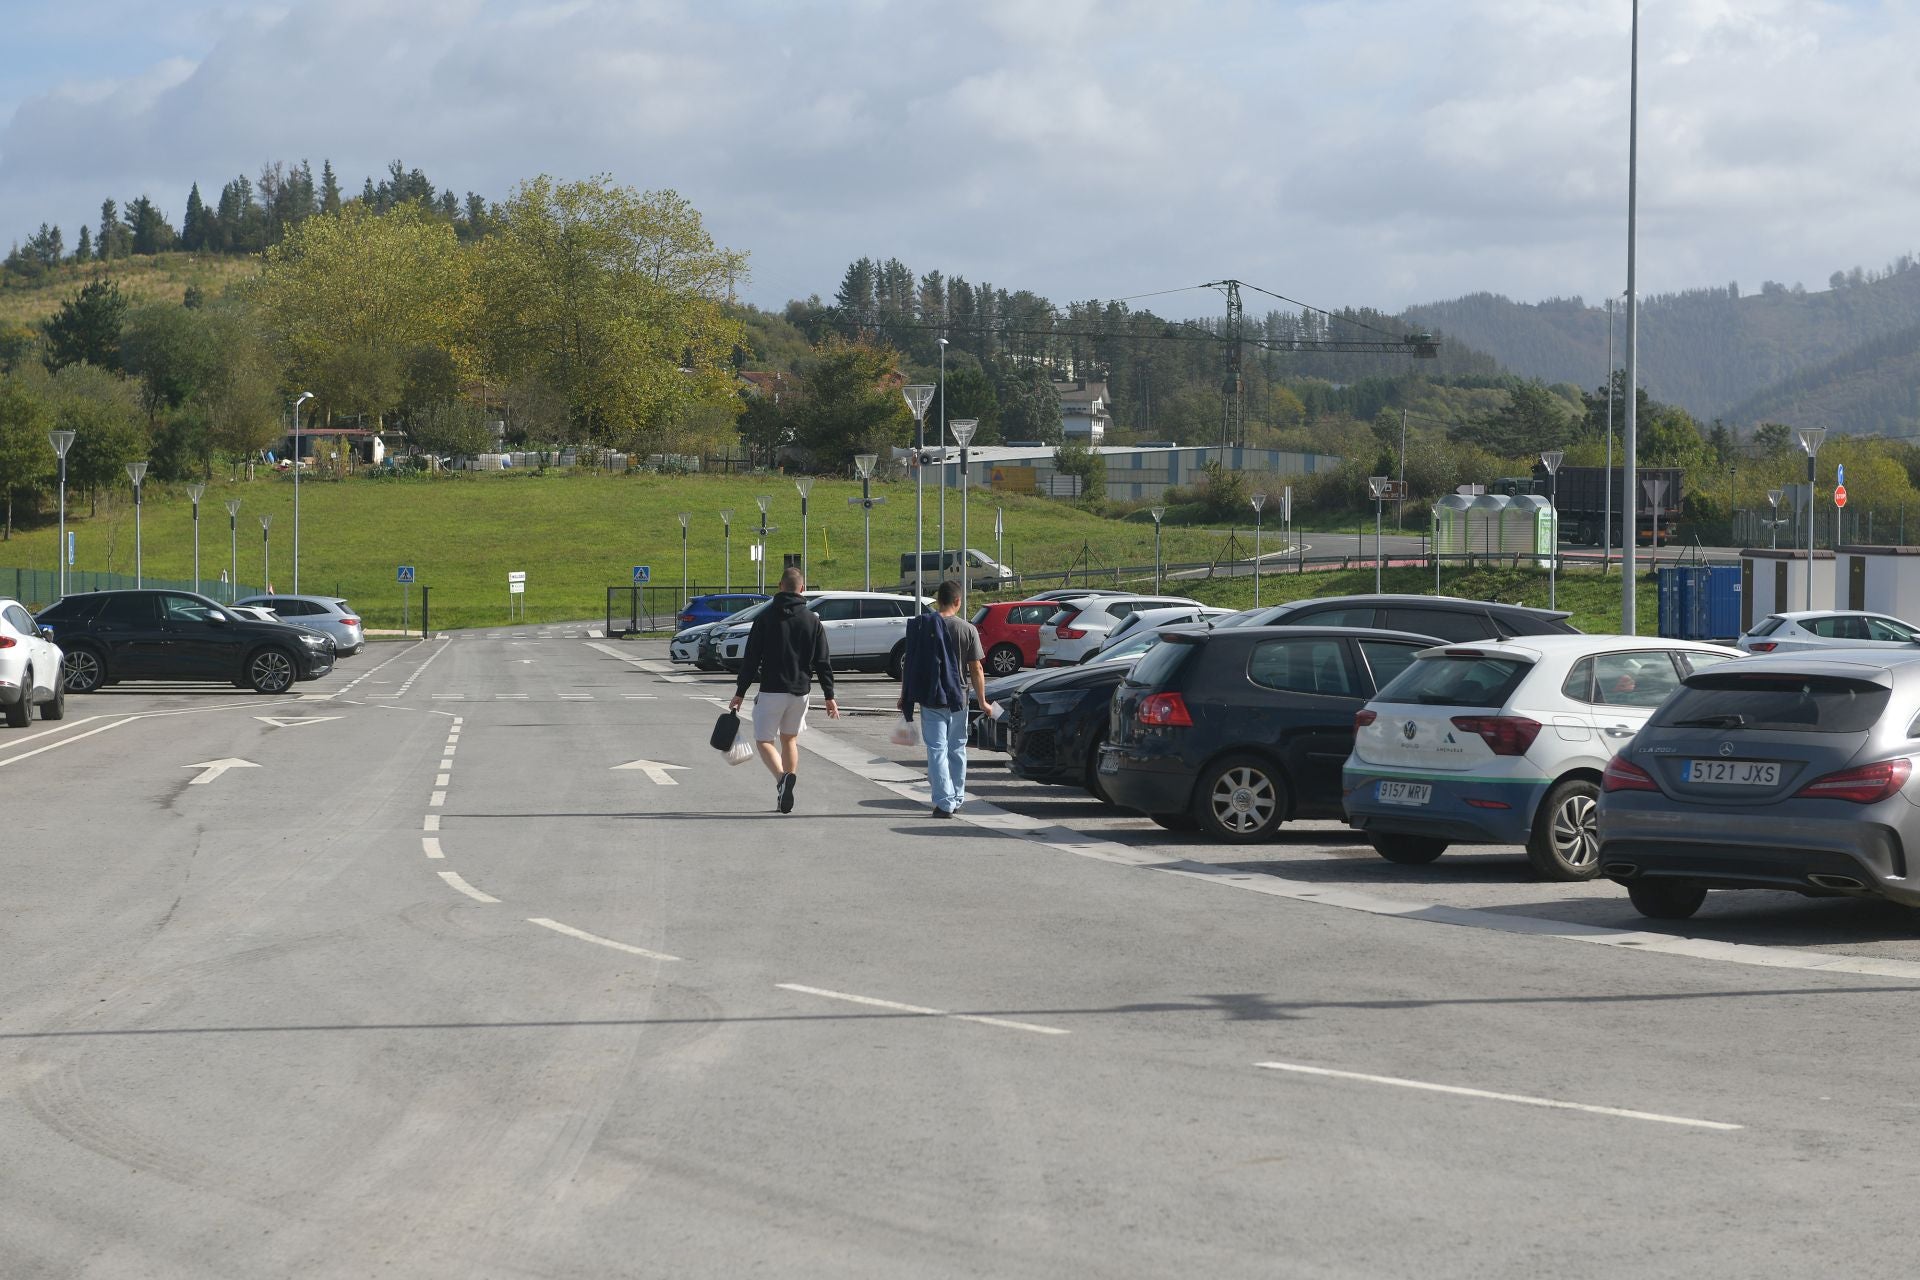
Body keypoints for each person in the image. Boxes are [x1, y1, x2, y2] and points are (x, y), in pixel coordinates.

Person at [729, 568, 838, 813]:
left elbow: (751, 658)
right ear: (802, 588)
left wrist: (740, 692)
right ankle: (786, 786)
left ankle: (781, 779)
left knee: (764, 740)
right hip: (801, 692)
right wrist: (830, 696)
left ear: (780, 586)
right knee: (790, 739)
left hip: (771, 689)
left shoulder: (765, 619)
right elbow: (823, 661)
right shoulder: (813, 620)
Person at [898, 580, 995, 818]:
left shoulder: (922, 626)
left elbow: (910, 664)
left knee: (937, 750)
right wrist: (982, 701)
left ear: (938, 600)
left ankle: (944, 802)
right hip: (959, 698)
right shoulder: (967, 629)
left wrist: (905, 694)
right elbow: (977, 669)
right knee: (957, 749)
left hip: (931, 698)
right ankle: (957, 797)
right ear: (958, 602)